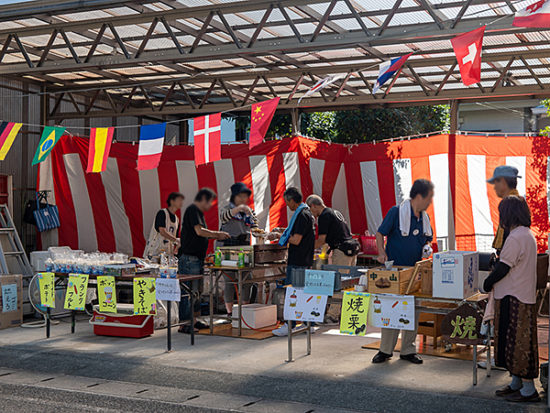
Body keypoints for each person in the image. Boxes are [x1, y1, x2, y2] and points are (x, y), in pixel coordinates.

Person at [483, 196, 539, 403]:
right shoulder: (525, 234)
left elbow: (503, 268)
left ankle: (528, 389)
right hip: (520, 296)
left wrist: (487, 283)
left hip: (514, 297)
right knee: (515, 343)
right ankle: (517, 384)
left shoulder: (515, 237)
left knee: (518, 344)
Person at [372, 179, 434, 365]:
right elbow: (380, 233)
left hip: (415, 271)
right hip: (394, 270)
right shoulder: (396, 212)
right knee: (391, 309)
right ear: (418, 196)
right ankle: (385, 350)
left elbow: (428, 239)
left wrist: (427, 247)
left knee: (412, 311)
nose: (430, 202)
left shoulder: (424, 218)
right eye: (428, 197)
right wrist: (381, 253)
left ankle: (408, 350)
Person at [178, 188, 230, 331]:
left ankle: (194, 320)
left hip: (197, 258)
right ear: (203, 200)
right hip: (190, 258)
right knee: (188, 292)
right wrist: (217, 235)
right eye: (209, 202)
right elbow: (199, 232)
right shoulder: (193, 210)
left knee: (196, 291)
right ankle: (185, 323)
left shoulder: (197, 212)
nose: (210, 206)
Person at [272, 187, 315, 337]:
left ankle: (289, 324)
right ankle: (307, 322)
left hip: (298, 260)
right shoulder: (306, 213)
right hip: (304, 260)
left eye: (287, 202)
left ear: (292, 200)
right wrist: (283, 231)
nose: (287, 206)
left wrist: (279, 236)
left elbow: (296, 240)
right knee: (303, 293)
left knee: (293, 293)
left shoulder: (302, 215)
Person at [219, 182, 259, 317]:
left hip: (245, 248)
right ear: (234, 197)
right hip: (228, 248)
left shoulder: (249, 212)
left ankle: (245, 309)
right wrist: (239, 208)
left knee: (247, 279)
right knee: (230, 280)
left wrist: (262, 233)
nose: (243, 199)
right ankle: (230, 311)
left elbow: (255, 228)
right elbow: (224, 218)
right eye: (240, 196)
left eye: (245, 197)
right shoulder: (226, 209)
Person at [305, 194, 360, 267]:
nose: (311, 213)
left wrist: (306, 249)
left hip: (342, 251)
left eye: (310, 209)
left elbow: (321, 240)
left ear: (313, 206)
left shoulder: (324, 216)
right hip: (350, 249)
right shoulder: (333, 211)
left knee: (340, 276)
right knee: (350, 277)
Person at [488, 165, 521, 252]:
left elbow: (508, 229)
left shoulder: (509, 202)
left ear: (504, 183)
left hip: (510, 252)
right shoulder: (519, 200)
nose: (495, 187)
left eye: (496, 183)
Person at [143, 192, 184, 259]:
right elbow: (162, 231)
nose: (181, 202)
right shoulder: (162, 213)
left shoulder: (177, 219)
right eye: (179, 200)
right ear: (172, 201)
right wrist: (176, 240)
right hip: (154, 253)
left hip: (167, 255)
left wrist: (177, 246)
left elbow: (174, 237)